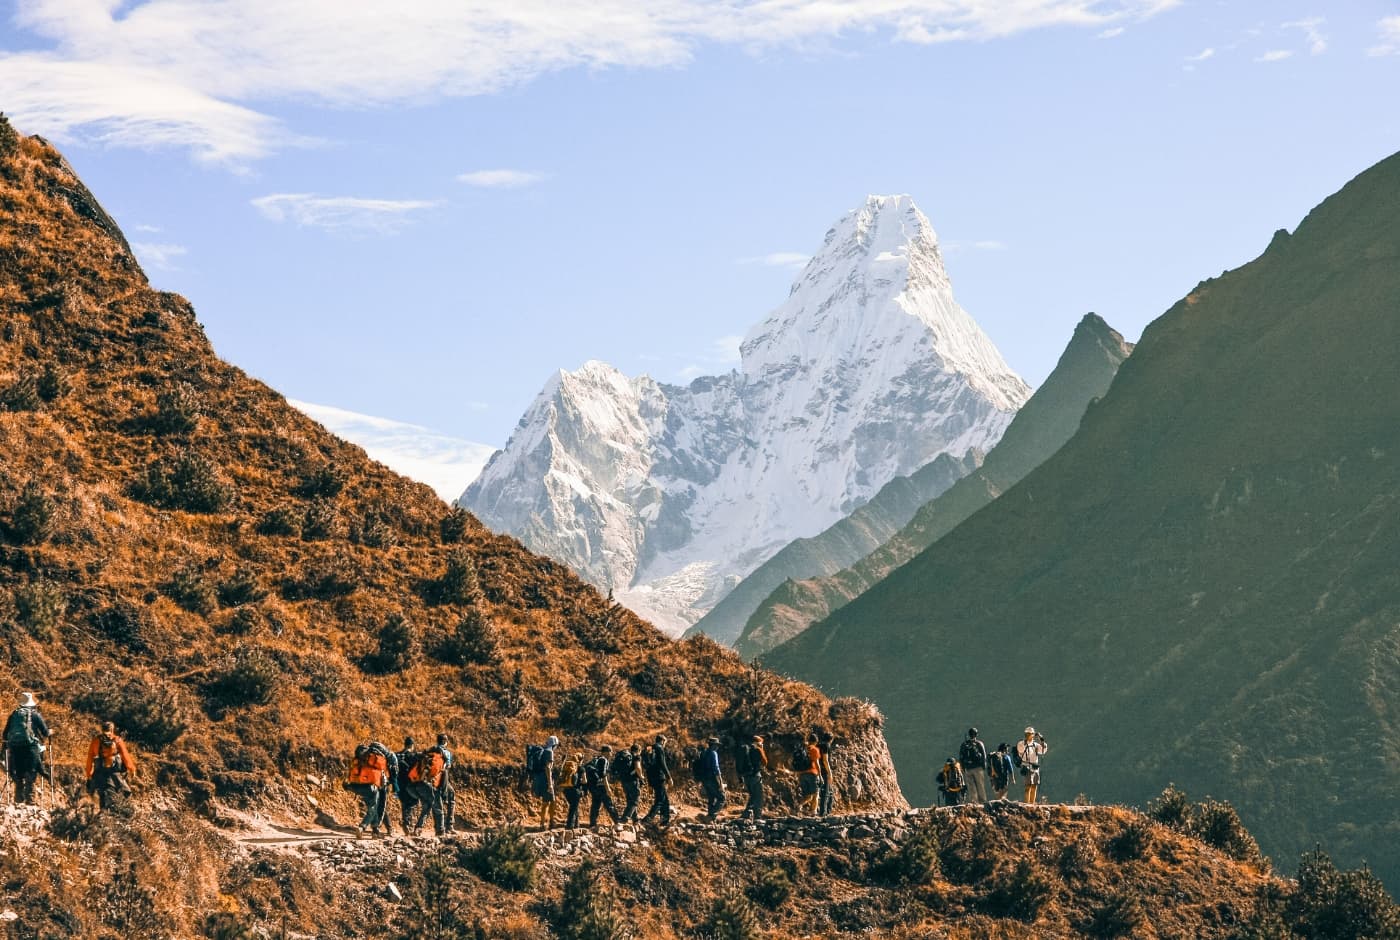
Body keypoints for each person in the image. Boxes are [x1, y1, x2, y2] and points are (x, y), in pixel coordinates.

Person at [4, 692, 52, 805]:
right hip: (31, 749)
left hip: (16, 748)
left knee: (19, 775)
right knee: (31, 773)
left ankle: (18, 801)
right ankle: (30, 801)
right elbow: (45, 732)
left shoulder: (14, 715)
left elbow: (5, 734)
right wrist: (50, 732)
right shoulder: (35, 715)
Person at [85, 721, 136, 812]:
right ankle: (121, 814)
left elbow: (90, 758)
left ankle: (103, 815)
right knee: (126, 793)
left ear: (102, 729)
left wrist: (89, 774)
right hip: (115, 773)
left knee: (103, 796)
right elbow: (125, 756)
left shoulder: (96, 741)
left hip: (99, 773)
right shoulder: (117, 740)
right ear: (112, 729)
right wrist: (132, 769)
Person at [344, 740, 389, 833]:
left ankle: (375, 830)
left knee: (372, 807)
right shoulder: (373, 759)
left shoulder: (357, 760)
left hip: (356, 786)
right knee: (373, 808)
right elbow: (383, 772)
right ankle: (362, 827)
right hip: (371, 787)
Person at [406, 741, 448, 836]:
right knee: (439, 809)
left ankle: (418, 828)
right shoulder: (439, 760)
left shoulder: (424, 758)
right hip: (429, 786)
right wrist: (444, 794)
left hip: (414, 786)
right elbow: (444, 778)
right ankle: (440, 831)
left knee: (426, 807)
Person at [640, 735, 673, 827]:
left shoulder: (649, 749)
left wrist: (650, 784)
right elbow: (663, 764)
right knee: (659, 800)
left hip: (652, 778)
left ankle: (665, 820)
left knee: (665, 799)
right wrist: (669, 777)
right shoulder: (659, 748)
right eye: (665, 742)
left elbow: (648, 768)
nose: (665, 744)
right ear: (662, 741)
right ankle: (647, 819)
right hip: (659, 777)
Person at [367, 740, 399, 835]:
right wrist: (394, 784)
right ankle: (379, 829)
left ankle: (385, 828)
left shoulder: (369, 755)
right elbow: (395, 772)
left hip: (369, 782)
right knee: (381, 805)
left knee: (375, 805)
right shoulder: (389, 755)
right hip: (382, 783)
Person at [585, 745, 620, 828]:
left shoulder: (596, 759)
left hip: (594, 786)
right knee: (609, 804)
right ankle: (617, 822)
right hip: (601, 786)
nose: (611, 754)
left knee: (595, 804)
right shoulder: (604, 760)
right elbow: (603, 775)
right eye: (610, 751)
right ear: (605, 752)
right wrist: (607, 788)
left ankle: (592, 824)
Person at [529, 735, 558, 831]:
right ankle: (550, 822)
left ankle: (544, 823)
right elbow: (548, 768)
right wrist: (550, 784)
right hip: (546, 780)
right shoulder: (550, 752)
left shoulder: (543, 750)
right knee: (551, 802)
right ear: (554, 744)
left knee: (546, 802)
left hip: (539, 779)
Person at [737, 734, 767, 821]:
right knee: (758, 796)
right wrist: (762, 749)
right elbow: (765, 762)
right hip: (755, 776)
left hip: (746, 776)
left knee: (753, 795)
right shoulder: (757, 749)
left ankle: (746, 814)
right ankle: (757, 817)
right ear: (758, 742)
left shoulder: (744, 749)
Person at [1015, 727, 1048, 804]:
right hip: (1026, 766)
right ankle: (1027, 804)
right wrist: (1027, 741)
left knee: (1034, 786)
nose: (1029, 735)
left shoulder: (1035, 745)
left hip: (1035, 767)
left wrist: (1041, 739)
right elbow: (1020, 750)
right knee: (1028, 786)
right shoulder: (1021, 743)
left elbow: (1043, 750)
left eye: (1031, 734)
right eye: (1028, 734)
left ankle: (1032, 803)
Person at [697, 737, 725, 821]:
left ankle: (709, 816)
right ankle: (711, 815)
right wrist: (720, 782)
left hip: (704, 779)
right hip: (712, 778)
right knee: (722, 798)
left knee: (711, 798)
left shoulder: (704, 752)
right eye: (717, 745)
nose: (718, 747)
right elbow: (716, 768)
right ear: (714, 745)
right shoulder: (713, 753)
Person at [395, 736, 420, 830]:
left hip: (399, 783)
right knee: (413, 801)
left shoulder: (397, 755)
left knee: (404, 802)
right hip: (410, 783)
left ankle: (406, 822)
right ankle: (408, 823)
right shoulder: (413, 756)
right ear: (412, 745)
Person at [959, 728, 989, 804]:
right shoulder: (979, 744)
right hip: (978, 768)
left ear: (969, 734)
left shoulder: (964, 744)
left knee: (971, 787)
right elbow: (984, 756)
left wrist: (962, 768)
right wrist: (983, 766)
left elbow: (961, 757)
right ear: (976, 734)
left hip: (968, 768)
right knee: (980, 786)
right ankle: (982, 802)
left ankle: (974, 802)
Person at [614, 743, 642, 823]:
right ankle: (625, 818)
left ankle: (635, 818)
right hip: (632, 781)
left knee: (630, 800)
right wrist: (641, 777)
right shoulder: (636, 756)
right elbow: (638, 767)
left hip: (624, 781)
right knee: (635, 800)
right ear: (639, 750)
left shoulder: (627, 756)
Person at [435, 733, 456, 834]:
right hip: (442, 780)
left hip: (431, 780)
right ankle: (449, 826)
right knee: (451, 797)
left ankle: (439, 827)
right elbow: (448, 766)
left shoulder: (431, 749)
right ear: (444, 741)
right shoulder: (446, 752)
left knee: (434, 804)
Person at [557, 750, 584, 829]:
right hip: (576, 791)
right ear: (580, 760)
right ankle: (570, 825)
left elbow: (561, 774)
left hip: (566, 790)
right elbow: (584, 780)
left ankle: (576, 824)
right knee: (573, 808)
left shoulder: (567, 765)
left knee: (574, 807)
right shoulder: (581, 768)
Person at [798, 733, 822, 816]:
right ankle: (813, 812)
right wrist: (820, 775)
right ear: (816, 741)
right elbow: (817, 763)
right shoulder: (814, 749)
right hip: (812, 774)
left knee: (808, 796)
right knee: (816, 794)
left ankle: (799, 805)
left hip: (802, 774)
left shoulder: (803, 749)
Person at [817, 735, 835, 816]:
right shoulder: (826, 746)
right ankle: (824, 812)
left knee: (827, 792)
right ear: (831, 739)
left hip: (817, 770)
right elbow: (825, 760)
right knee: (826, 792)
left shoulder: (817, 745)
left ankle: (826, 811)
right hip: (824, 771)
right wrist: (830, 772)